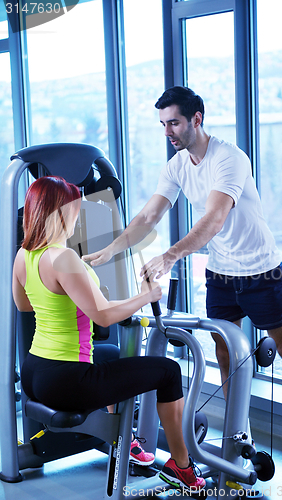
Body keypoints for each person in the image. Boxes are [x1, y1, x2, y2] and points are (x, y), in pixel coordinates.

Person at [82, 86, 282, 466]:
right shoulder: (177, 165)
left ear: (197, 118)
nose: (167, 132)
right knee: (225, 349)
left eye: (173, 122)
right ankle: (238, 428)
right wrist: (112, 249)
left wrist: (171, 255)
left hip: (260, 270)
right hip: (220, 275)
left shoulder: (229, 159)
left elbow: (214, 218)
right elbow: (148, 217)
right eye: (162, 124)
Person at [12, 175, 205, 492]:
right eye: (75, 210)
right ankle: (182, 468)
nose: (78, 216)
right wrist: (148, 296)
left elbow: (25, 306)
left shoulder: (24, 255)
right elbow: (101, 314)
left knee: (114, 356)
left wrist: (75, 285)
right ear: (59, 213)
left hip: (36, 371)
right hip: (67, 380)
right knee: (169, 371)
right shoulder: (64, 257)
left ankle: (126, 440)